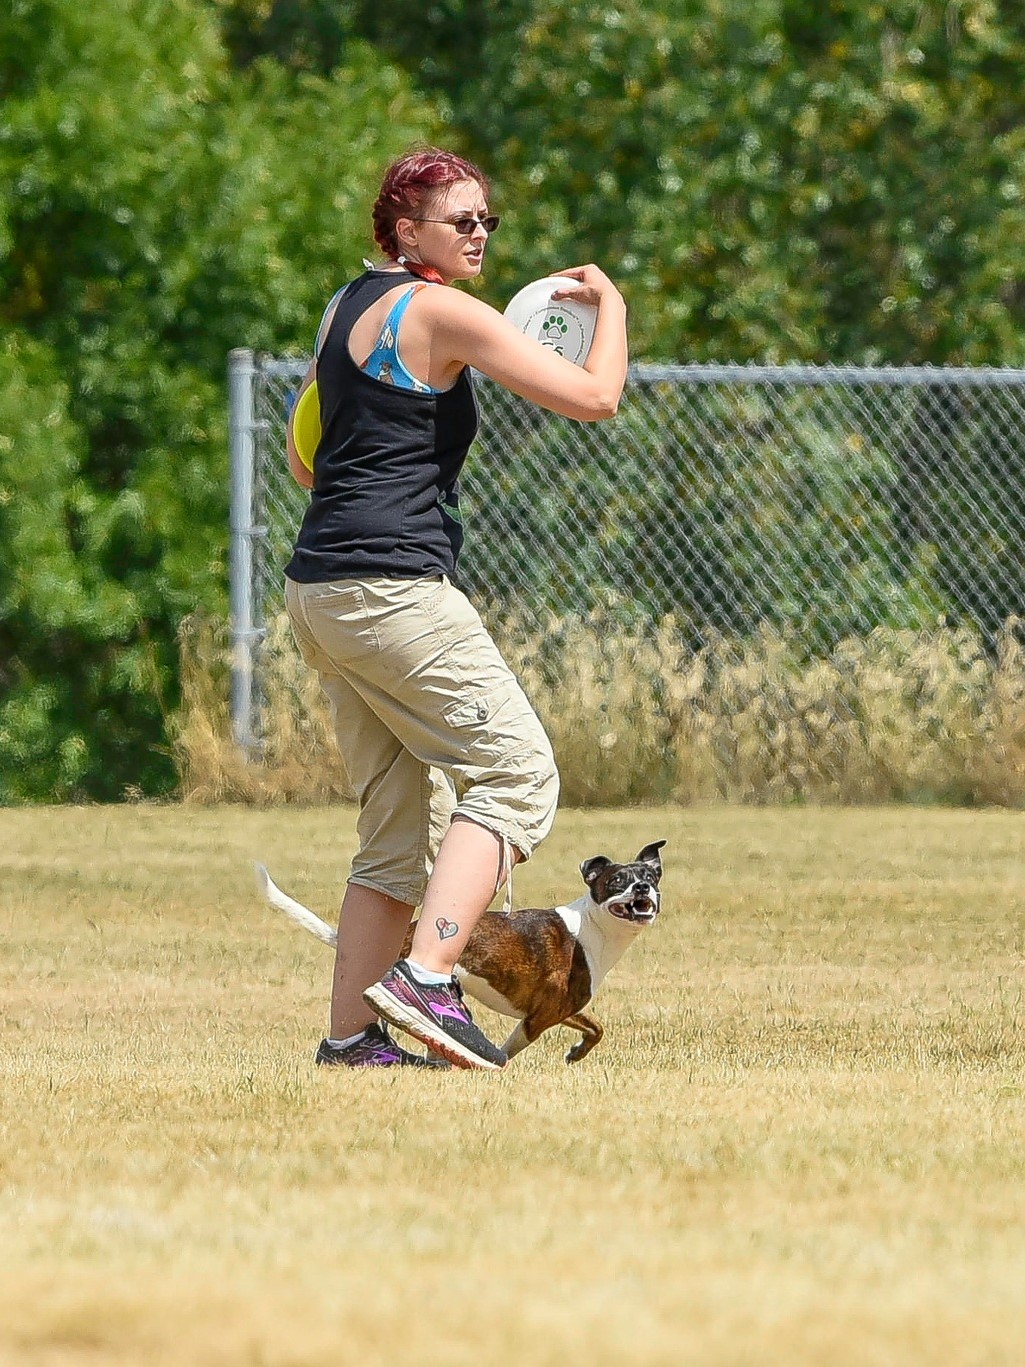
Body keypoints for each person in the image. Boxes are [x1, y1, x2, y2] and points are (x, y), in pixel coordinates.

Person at [284, 145, 628, 1071]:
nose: (479, 233)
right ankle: (426, 976)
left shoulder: (346, 305)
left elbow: (304, 452)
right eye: (459, 220)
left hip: (320, 585)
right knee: (518, 775)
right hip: (393, 588)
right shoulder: (438, 308)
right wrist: (613, 308)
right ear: (405, 229)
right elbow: (595, 397)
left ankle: (352, 1038)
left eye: (487, 219)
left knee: (399, 823)